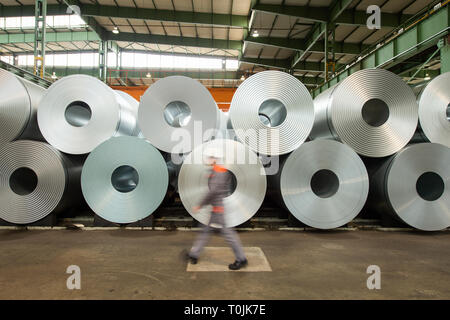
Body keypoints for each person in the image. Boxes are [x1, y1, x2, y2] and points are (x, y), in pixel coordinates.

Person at [186, 148, 248, 270]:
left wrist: (200, 205)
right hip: (216, 208)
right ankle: (194, 254)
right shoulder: (215, 171)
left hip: (219, 210)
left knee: (228, 234)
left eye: (209, 157)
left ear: (214, 159)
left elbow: (213, 192)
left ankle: (241, 259)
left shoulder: (219, 172)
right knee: (205, 231)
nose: (206, 159)